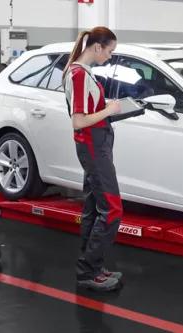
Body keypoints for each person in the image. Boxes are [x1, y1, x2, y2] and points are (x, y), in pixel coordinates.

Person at [63, 27, 123, 291]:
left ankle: (91, 267)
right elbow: (78, 121)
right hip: (92, 147)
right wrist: (109, 109)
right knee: (112, 208)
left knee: (93, 207)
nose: (110, 56)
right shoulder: (78, 75)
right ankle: (88, 271)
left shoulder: (83, 73)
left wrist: (106, 107)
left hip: (96, 145)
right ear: (97, 47)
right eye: (109, 51)